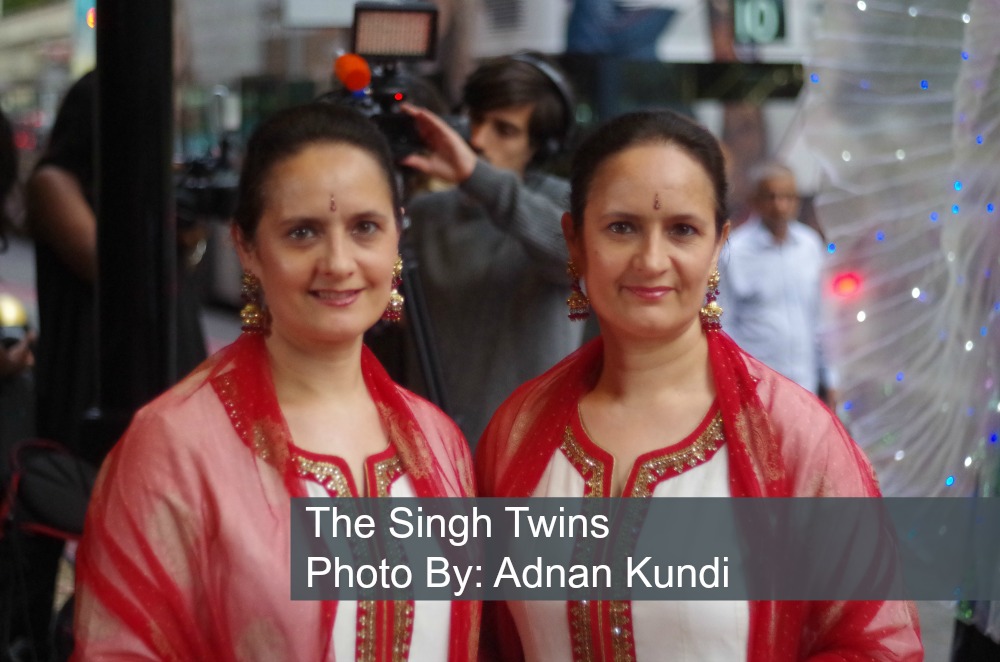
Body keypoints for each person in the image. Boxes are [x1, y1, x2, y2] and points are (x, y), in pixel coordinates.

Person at [475, 110, 922, 660]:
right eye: (621, 227)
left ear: (718, 245)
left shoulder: (792, 436)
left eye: (683, 230)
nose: (652, 259)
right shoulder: (519, 429)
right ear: (575, 241)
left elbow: (875, 643)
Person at [73, 103, 479, 659]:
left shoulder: (438, 442)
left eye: (365, 227)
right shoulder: (176, 444)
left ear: (397, 236)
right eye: (303, 232)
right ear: (247, 247)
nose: (338, 263)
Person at [400, 52, 586, 446]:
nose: (478, 140)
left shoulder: (564, 208)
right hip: (433, 450)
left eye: (504, 130)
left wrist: (474, 176)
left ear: (541, 145)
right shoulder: (426, 214)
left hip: (530, 455)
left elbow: (570, 255)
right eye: (475, 121)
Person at [716, 161, 838, 406]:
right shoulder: (735, 252)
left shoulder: (809, 245)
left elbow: (822, 318)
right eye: (771, 197)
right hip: (756, 388)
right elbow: (723, 322)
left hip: (805, 385)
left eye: (787, 197)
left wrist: (832, 378)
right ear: (755, 201)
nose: (780, 205)